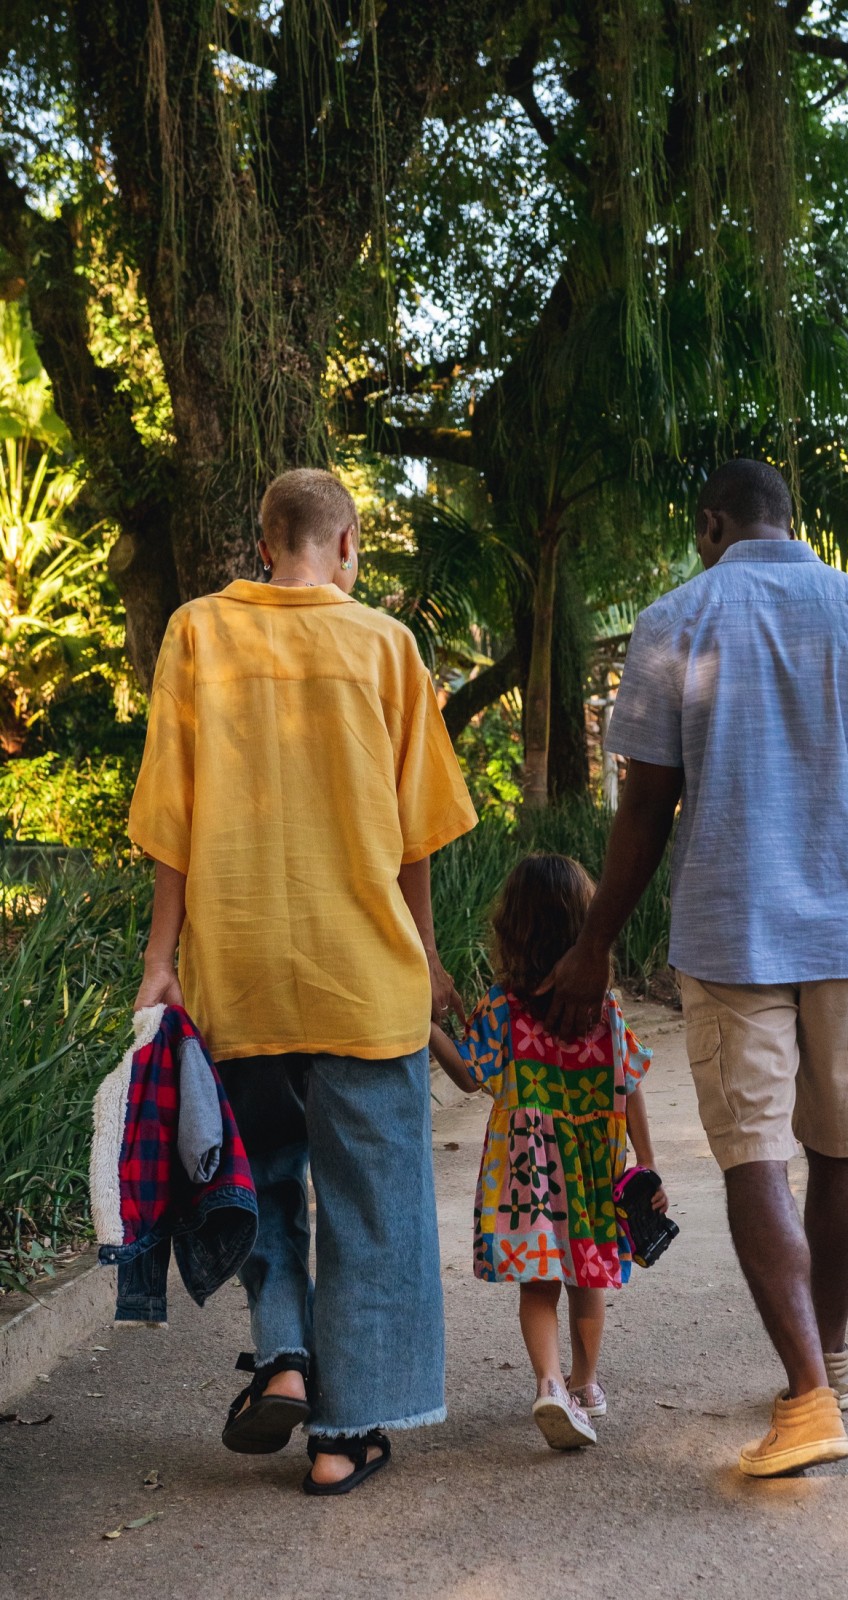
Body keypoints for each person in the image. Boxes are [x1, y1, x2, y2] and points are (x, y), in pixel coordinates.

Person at [541, 459, 848, 1477]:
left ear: (712, 524)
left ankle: (807, 1394)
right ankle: (831, 1358)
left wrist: (594, 942)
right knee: (841, 1147)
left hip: (729, 935)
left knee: (754, 1159)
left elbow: (646, 806)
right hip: (847, 929)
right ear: (789, 520)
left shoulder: (673, 620)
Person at [128, 467, 477, 1496]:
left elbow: (170, 820)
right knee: (374, 1208)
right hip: (363, 978)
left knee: (261, 1179)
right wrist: (427, 957)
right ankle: (343, 1434)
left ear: (263, 542)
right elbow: (416, 837)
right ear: (349, 544)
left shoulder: (197, 632)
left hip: (238, 975)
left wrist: (160, 962)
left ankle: (282, 1355)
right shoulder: (385, 646)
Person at [428, 853, 668, 1450]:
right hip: (591, 1168)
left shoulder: (503, 1007)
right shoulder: (603, 1010)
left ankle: (549, 1383)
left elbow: (468, 1075)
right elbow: (630, 1086)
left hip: (527, 1172)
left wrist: (424, 1025)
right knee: (589, 1275)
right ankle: (586, 1384)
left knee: (538, 1283)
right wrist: (646, 1164)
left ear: (513, 930)